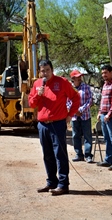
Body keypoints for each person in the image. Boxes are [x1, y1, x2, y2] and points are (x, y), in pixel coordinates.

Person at [28, 60, 80, 196]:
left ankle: (63, 184)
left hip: (57, 124)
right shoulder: (37, 84)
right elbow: (32, 104)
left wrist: (70, 115)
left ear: (52, 70)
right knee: (48, 155)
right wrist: (38, 94)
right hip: (43, 125)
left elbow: (76, 97)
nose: (45, 73)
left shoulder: (62, 82)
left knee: (60, 154)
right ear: (39, 72)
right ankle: (51, 181)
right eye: (42, 71)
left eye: (47, 70)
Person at [96, 64, 112, 171]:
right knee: (106, 138)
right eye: (102, 73)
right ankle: (108, 159)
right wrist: (100, 112)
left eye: (106, 72)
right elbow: (103, 101)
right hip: (103, 115)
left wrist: (109, 114)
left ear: (111, 72)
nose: (104, 75)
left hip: (110, 116)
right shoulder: (105, 85)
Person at [68, 69, 94, 163]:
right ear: (73, 78)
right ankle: (79, 154)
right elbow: (67, 102)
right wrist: (75, 111)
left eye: (80, 77)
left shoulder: (86, 87)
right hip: (74, 117)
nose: (79, 79)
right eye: (77, 77)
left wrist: (81, 109)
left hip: (85, 115)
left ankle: (88, 155)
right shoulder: (70, 89)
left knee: (87, 135)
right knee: (76, 135)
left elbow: (90, 100)